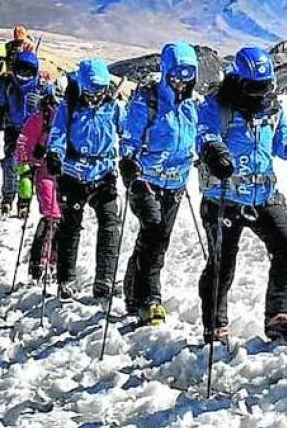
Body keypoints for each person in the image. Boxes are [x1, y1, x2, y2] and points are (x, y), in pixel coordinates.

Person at [196, 46, 287, 346]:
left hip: (263, 197)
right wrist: (215, 152)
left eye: (265, 86)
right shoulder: (218, 105)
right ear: (239, 83)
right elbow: (205, 133)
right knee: (222, 264)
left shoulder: (272, 110)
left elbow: (285, 146)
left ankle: (278, 317)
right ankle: (214, 326)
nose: (260, 94)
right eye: (254, 88)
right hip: (223, 197)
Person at [119, 43, 200, 326]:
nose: (181, 80)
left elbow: (197, 137)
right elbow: (129, 139)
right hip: (146, 181)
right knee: (153, 232)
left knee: (156, 241)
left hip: (176, 183)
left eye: (188, 74)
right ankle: (149, 300)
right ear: (165, 72)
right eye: (176, 74)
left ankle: (132, 292)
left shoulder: (192, 105)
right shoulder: (147, 101)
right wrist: (129, 166)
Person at [45, 59, 124, 300]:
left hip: (104, 173)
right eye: (90, 90)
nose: (95, 96)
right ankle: (66, 279)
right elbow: (57, 133)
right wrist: (54, 154)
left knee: (110, 225)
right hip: (73, 174)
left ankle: (105, 280)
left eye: (99, 90)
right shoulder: (69, 107)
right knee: (70, 227)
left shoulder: (115, 107)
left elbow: (127, 132)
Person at [16, 81, 62, 289]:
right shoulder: (39, 118)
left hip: (66, 173)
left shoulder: (69, 117)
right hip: (44, 171)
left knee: (63, 217)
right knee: (52, 214)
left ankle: (54, 261)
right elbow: (23, 145)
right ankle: (41, 263)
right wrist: (29, 163)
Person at [0, 51, 41, 217]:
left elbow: (52, 114)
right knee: (10, 163)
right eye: (20, 72)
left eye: (27, 73)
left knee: (27, 168)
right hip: (12, 129)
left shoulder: (41, 89)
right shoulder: (8, 85)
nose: (23, 77)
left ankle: (24, 202)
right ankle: (8, 198)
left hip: (32, 134)